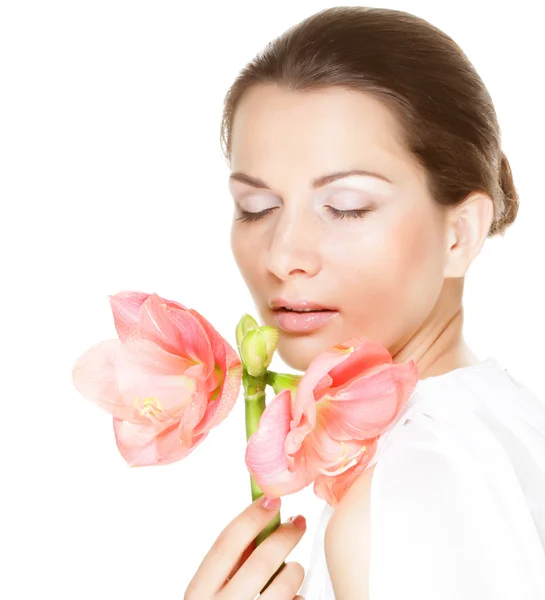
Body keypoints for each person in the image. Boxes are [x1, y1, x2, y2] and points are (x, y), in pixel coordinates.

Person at [185, 6, 545, 599]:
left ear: (460, 234)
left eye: (347, 204)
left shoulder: (402, 491)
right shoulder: (496, 420)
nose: (282, 255)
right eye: (256, 207)